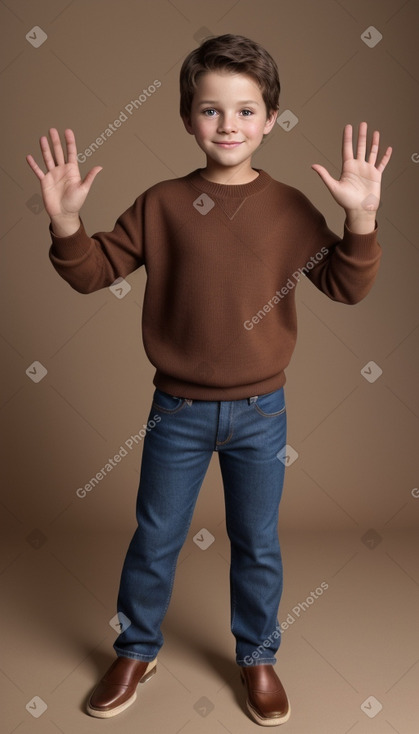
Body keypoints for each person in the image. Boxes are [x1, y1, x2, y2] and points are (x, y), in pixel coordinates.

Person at [26, 33, 392, 727]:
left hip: (262, 413)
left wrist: (361, 218)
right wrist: (67, 222)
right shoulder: (162, 204)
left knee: (256, 542)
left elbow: (343, 286)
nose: (228, 125)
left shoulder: (287, 208)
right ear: (188, 119)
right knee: (155, 535)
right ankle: (136, 648)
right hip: (177, 411)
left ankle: (256, 656)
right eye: (210, 110)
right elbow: (92, 272)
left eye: (245, 111)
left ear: (271, 119)